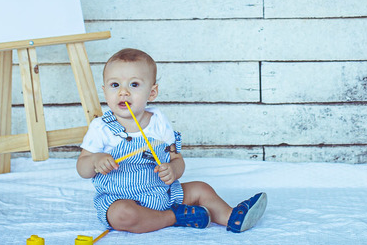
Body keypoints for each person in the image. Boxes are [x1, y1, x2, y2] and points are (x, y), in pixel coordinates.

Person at [77, 47, 267, 234]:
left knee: (201, 188)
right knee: (122, 215)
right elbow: (82, 168)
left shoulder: (158, 122)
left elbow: (177, 159)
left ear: (152, 93)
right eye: (115, 85)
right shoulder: (101, 127)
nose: (123, 92)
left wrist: (174, 170)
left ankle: (231, 217)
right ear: (104, 91)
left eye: (134, 85)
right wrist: (95, 161)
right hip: (121, 199)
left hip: (162, 193)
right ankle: (175, 217)